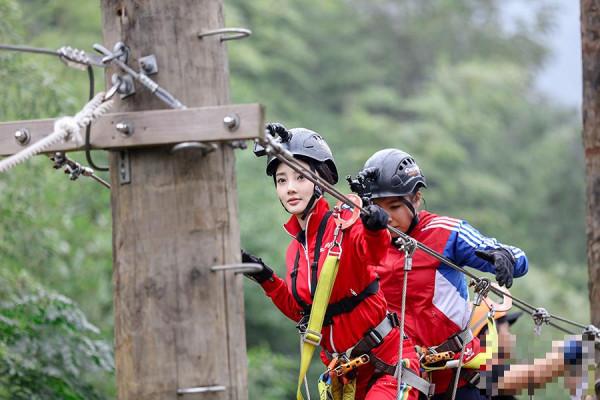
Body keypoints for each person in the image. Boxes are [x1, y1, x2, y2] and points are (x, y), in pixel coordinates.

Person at [241, 125, 421, 400]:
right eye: (281, 180)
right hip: (345, 378)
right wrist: (266, 278)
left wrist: (374, 228)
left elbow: (374, 255)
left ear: (320, 181)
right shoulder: (295, 250)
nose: (290, 188)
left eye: (300, 177)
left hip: (387, 367)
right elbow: (305, 312)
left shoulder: (346, 224)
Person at [352, 148, 529, 399]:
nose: (387, 218)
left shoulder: (445, 233)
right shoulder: (362, 244)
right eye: (379, 209)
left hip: (458, 380)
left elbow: (511, 254)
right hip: (398, 380)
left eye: (394, 206)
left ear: (416, 199)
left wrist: (508, 258)